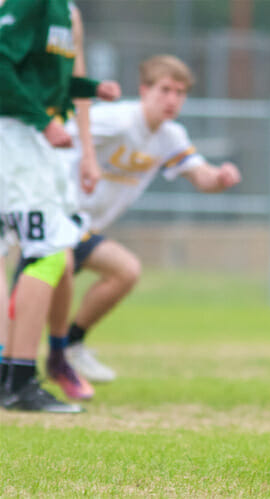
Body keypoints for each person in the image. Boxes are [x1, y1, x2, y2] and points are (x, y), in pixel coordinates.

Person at [31, 54, 241, 399]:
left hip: (84, 226)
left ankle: (66, 349)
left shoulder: (171, 136)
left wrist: (220, 178)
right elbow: (52, 137)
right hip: (58, 214)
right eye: (164, 90)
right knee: (43, 288)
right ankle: (36, 362)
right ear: (144, 90)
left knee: (123, 272)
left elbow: (200, 175)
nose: (172, 99)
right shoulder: (116, 120)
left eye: (179, 92)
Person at [0, 0, 119, 412]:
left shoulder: (65, 10)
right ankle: (18, 380)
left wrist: (90, 89)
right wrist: (43, 121)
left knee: (30, 252)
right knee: (50, 253)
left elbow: (37, 78)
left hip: (30, 142)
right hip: (17, 140)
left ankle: (9, 378)